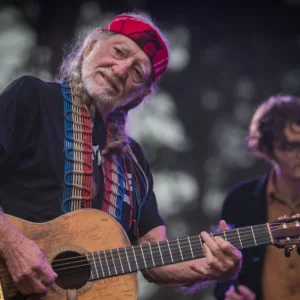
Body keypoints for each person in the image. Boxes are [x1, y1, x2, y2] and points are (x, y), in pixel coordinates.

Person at [0, 12, 241, 297]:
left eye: (138, 72)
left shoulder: (134, 161)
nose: (121, 69)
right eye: (118, 51)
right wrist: (12, 244)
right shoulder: (33, 97)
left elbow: (154, 260)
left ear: (140, 94)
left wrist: (208, 268)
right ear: (90, 46)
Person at [214, 95, 300, 300]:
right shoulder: (240, 200)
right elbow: (222, 274)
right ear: (268, 148)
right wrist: (230, 293)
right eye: (290, 146)